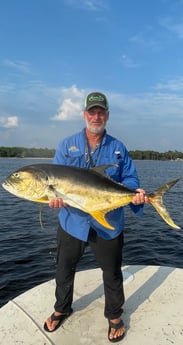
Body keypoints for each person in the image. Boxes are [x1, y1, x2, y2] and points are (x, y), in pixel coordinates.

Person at [44, 91, 148, 342]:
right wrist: (52, 198)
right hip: (73, 221)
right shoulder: (66, 144)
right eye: (92, 111)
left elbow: (131, 178)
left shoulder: (118, 147)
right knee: (64, 269)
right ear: (84, 114)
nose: (97, 116)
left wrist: (136, 192)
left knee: (112, 272)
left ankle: (114, 316)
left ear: (107, 115)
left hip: (108, 222)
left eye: (101, 111)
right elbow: (52, 180)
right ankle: (62, 308)